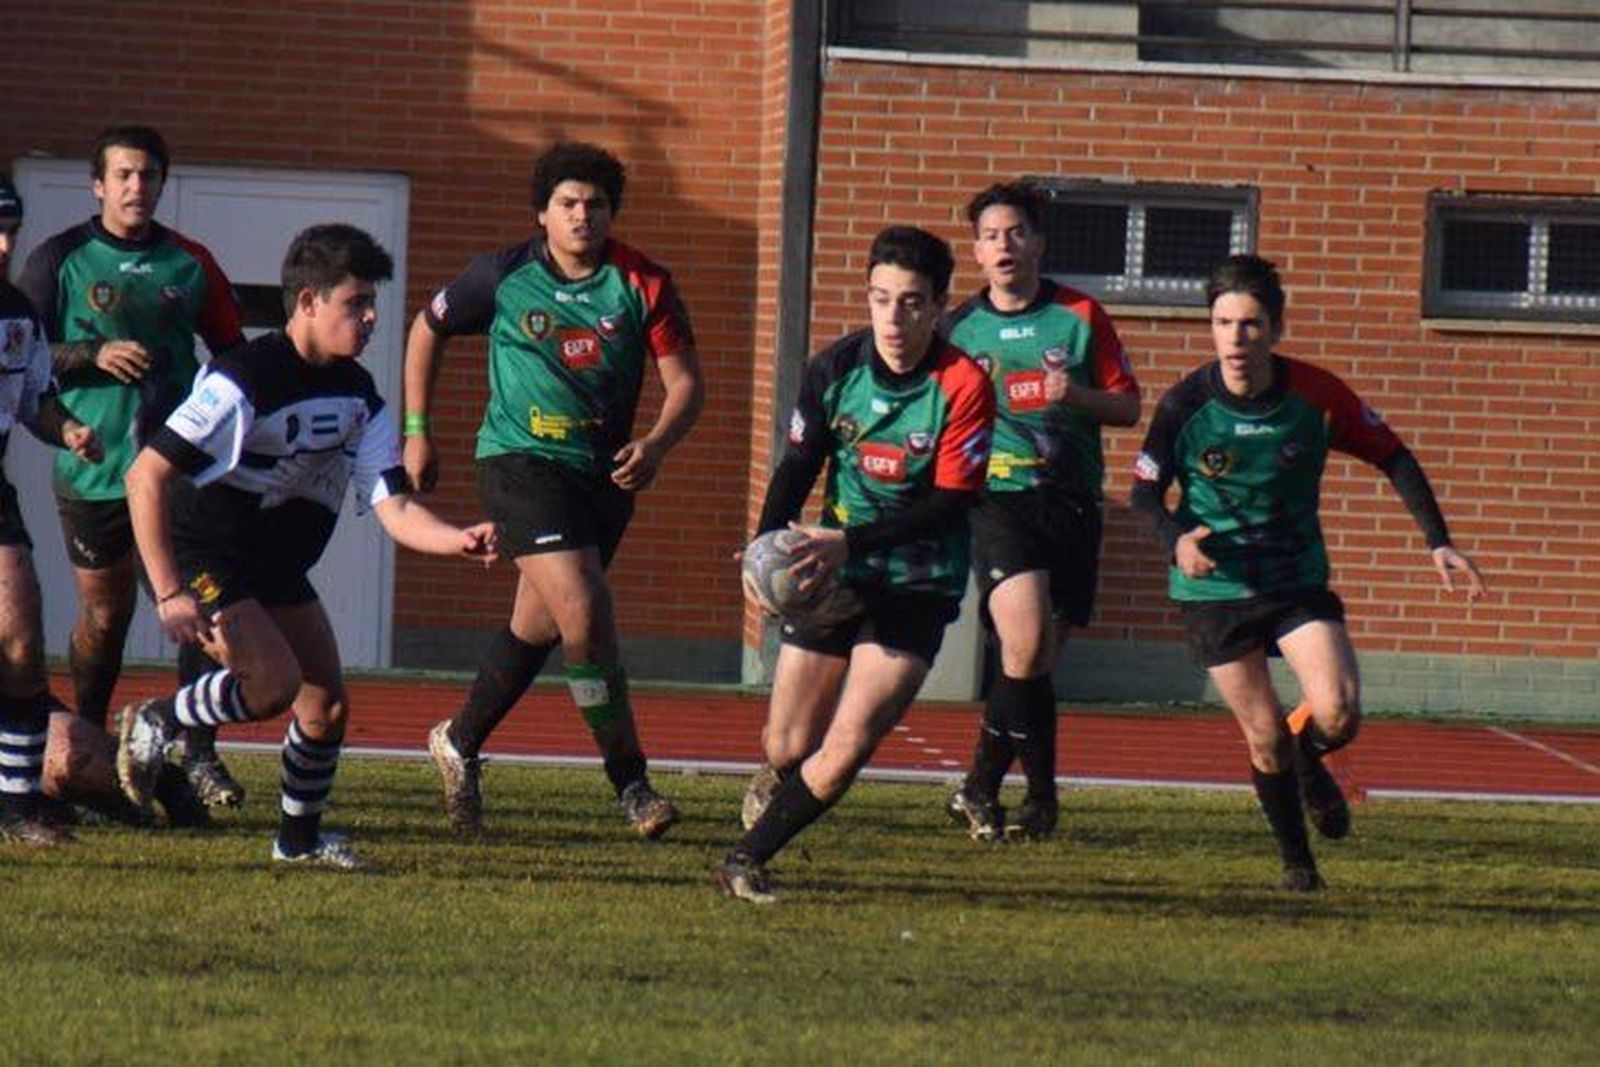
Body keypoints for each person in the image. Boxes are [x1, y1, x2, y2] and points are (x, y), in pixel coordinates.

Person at [113, 224, 498, 868]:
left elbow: (394, 506)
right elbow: (145, 475)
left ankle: (296, 845)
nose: (371, 317)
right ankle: (160, 718)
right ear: (309, 303)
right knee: (272, 684)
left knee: (326, 706)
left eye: (371, 302)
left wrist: (454, 538)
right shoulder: (242, 378)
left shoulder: (360, 395)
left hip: (277, 563)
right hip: (205, 553)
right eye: (356, 303)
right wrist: (170, 590)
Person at [1129, 254, 1485, 891]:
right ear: (1210, 326)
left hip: (1294, 581)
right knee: (1263, 736)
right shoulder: (1184, 405)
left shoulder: (1316, 396)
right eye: (1224, 323)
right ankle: (1299, 865)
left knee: (1339, 713)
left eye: (1252, 324)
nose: (1237, 339)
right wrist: (1177, 539)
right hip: (1216, 588)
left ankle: (1309, 757)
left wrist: (1438, 541)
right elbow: (1144, 495)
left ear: (1277, 328)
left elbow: (1395, 457)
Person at [403, 141, 704, 839]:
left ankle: (460, 738)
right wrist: (418, 430)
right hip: (518, 463)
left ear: (611, 214)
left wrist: (656, 444)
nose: (581, 216)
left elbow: (687, 384)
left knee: (537, 626)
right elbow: (427, 328)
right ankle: (631, 781)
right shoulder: (502, 276)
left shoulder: (644, 283)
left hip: (602, 476)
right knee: (587, 610)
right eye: (567, 203)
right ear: (542, 212)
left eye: (595, 205)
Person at [715, 225, 996, 904]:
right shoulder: (834, 368)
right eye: (880, 299)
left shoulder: (963, 385)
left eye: (911, 303)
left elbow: (951, 502)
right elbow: (798, 466)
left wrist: (850, 541)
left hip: (916, 583)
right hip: (835, 576)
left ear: (938, 307)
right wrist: (762, 549)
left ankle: (744, 859)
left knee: (846, 745)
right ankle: (780, 779)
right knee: (785, 743)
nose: (894, 318)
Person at [17, 125, 249, 809]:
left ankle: (198, 752)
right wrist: (91, 356)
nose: (136, 187)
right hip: (94, 473)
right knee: (103, 614)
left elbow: (234, 351)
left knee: (198, 608)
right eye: (122, 175)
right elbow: (22, 351)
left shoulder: (191, 262)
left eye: (147, 175)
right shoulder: (59, 259)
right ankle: (90, 739)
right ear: (98, 184)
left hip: (173, 477)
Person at [940, 182, 1141, 842]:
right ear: (976, 251)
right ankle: (997, 789)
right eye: (992, 235)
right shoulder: (958, 330)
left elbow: (1128, 406)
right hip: (998, 501)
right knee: (1022, 643)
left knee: (1037, 659)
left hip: (1073, 501)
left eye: (1016, 232)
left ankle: (1025, 794)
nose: (1005, 245)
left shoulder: (1081, 314)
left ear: (1038, 242)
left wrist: (1074, 394)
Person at [0, 175, 104, 846]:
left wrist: (66, 427)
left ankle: (16, 804)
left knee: (21, 632)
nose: (3, 242)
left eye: (10, 227)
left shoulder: (17, 312)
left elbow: (36, 398)